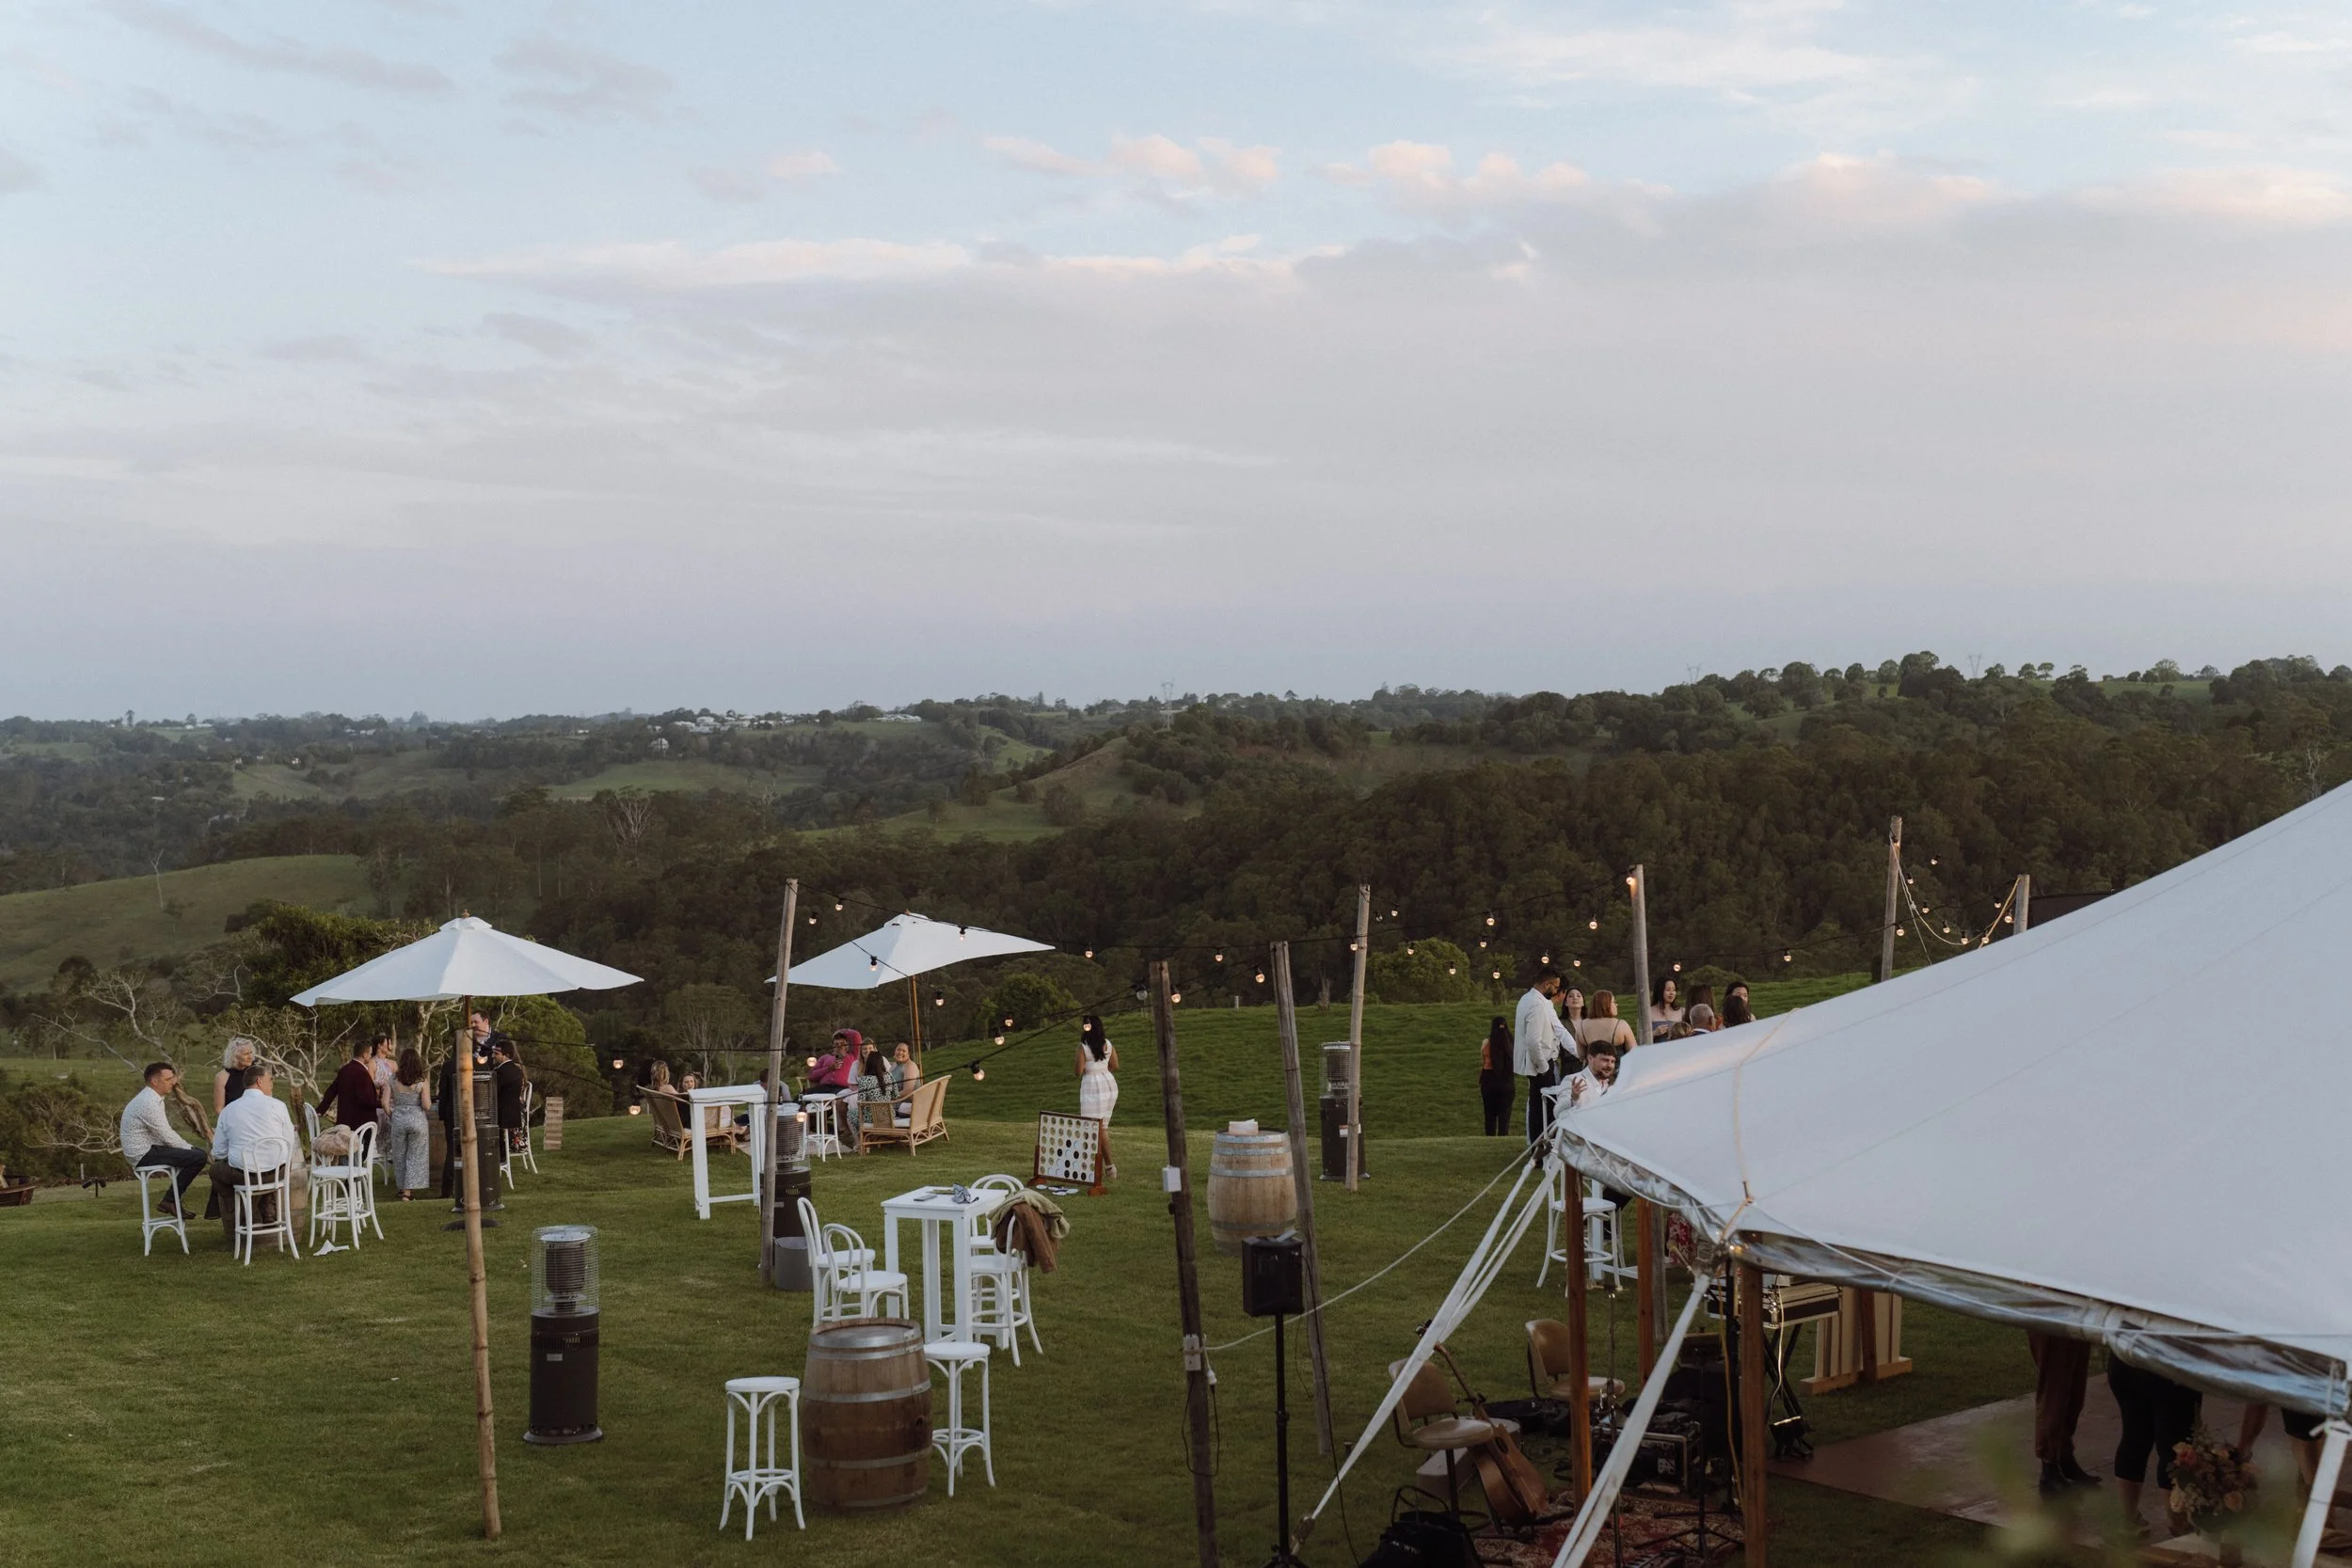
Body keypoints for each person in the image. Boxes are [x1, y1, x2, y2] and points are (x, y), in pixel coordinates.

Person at [210, 1065, 301, 1245]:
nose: (272, 1084)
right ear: (260, 1081)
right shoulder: (278, 1105)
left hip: (244, 1177)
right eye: (270, 1080)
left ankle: (247, 1213)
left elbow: (218, 1151)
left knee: (215, 1171)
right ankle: (267, 1209)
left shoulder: (229, 1110)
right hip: (278, 1174)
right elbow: (289, 1143)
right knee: (272, 1164)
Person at [2107, 1354, 2201, 1532]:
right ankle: (2179, 1526)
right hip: (2169, 1361)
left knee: (2134, 1436)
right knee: (2174, 1447)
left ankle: (2128, 1519)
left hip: (2125, 1358)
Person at [120, 1062, 208, 1215]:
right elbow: (166, 1135)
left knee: (195, 1155)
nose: (173, 1082)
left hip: (148, 1150)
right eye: (168, 1079)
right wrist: (190, 1148)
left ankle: (171, 1201)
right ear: (155, 1081)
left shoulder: (152, 1099)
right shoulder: (148, 1102)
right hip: (143, 1154)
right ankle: (169, 1201)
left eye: (172, 1078)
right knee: (198, 1157)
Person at [2028, 1331, 2100, 1496]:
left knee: (2075, 1390)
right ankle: (2049, 1468)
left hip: (2076, 1316)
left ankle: (2064, 1457)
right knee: (2055, 1390)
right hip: (2052, 1317)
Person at [1514, 965, 1578, 1146]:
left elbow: (1560, 1031)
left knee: (1541, 1108)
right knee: (1542, 1109)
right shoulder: (1536, 1004)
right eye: (1556, 986)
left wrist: (1578, 1053)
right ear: (1547, 984)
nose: (1557, 990)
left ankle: (1541, 1148)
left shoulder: (1531, 1000)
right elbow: (1533, 1041)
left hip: (1539, 1063)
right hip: (1539, 1064)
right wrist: (1544, 1066)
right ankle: (1540, 1150)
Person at [386, 1047, 434, 1200]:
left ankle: (402, 1188)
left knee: (399, 1155)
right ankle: (408, 1192)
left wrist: (393, 1114)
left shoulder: (392, 1079)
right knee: (415, 1155)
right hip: (417, 1121)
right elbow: (426, 1106)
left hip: (399, 1120)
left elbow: (385, 1103)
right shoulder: (422, 1081)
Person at [1076, 1014, 1119, 1176]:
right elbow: (1115, 1065)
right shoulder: (1108, 1044)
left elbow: (1077, 1072)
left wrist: (1090, 1068)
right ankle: (1089, 1165)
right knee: (1099, 1127)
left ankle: (1108, 1167)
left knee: (1096, 1128)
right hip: (1108, 1084)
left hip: (1092, 1087)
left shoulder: (1083, 1047)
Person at [316, 1037, 381, 1132]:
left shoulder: (344, 1069)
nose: (371, 1056)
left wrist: (320, 1110)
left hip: (344, 1123)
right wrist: (383, 1104)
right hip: (361, 1125)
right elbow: (365, 1100)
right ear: (364, 1055)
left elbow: (331, 1091)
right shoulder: (362, 1072)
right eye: (370, 1054)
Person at [1477, 1017, 1515, 1135]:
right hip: (1507, 1080)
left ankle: (1490, 1137)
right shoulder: (1512, 1043)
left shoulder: (1486, 1042)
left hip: (1489, 1079)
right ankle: (1504, 1135)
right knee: (1505, 1114)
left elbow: (1483, 1059)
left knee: (1489, 1113)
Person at [491, 1039, 527, 1156]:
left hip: (504, 1116)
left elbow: (493, 1093)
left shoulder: (501, 1072)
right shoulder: (517, 1069)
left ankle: (493, 1154)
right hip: (517, 1112)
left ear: (506, 1055)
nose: (493, 1056)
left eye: (496, 1054)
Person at [1578, 990, 1638, 1054]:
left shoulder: (1581, 1026)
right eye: (1614, 1002)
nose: (1617, 1005)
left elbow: (1581, 1055)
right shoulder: (1621, 1025)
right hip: (1617, 1063)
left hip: (1592, 1064)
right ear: (1606, 1004)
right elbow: (1634, 1052)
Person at [214, 1037, 257, 1114]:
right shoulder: (222, 1077)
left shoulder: (258, 1072)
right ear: (235, 1056)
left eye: (251, 1052)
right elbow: (219, 1109)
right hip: (232, 1121)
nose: (250, 1057)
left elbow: (267, 1100)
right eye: (246, 1054)